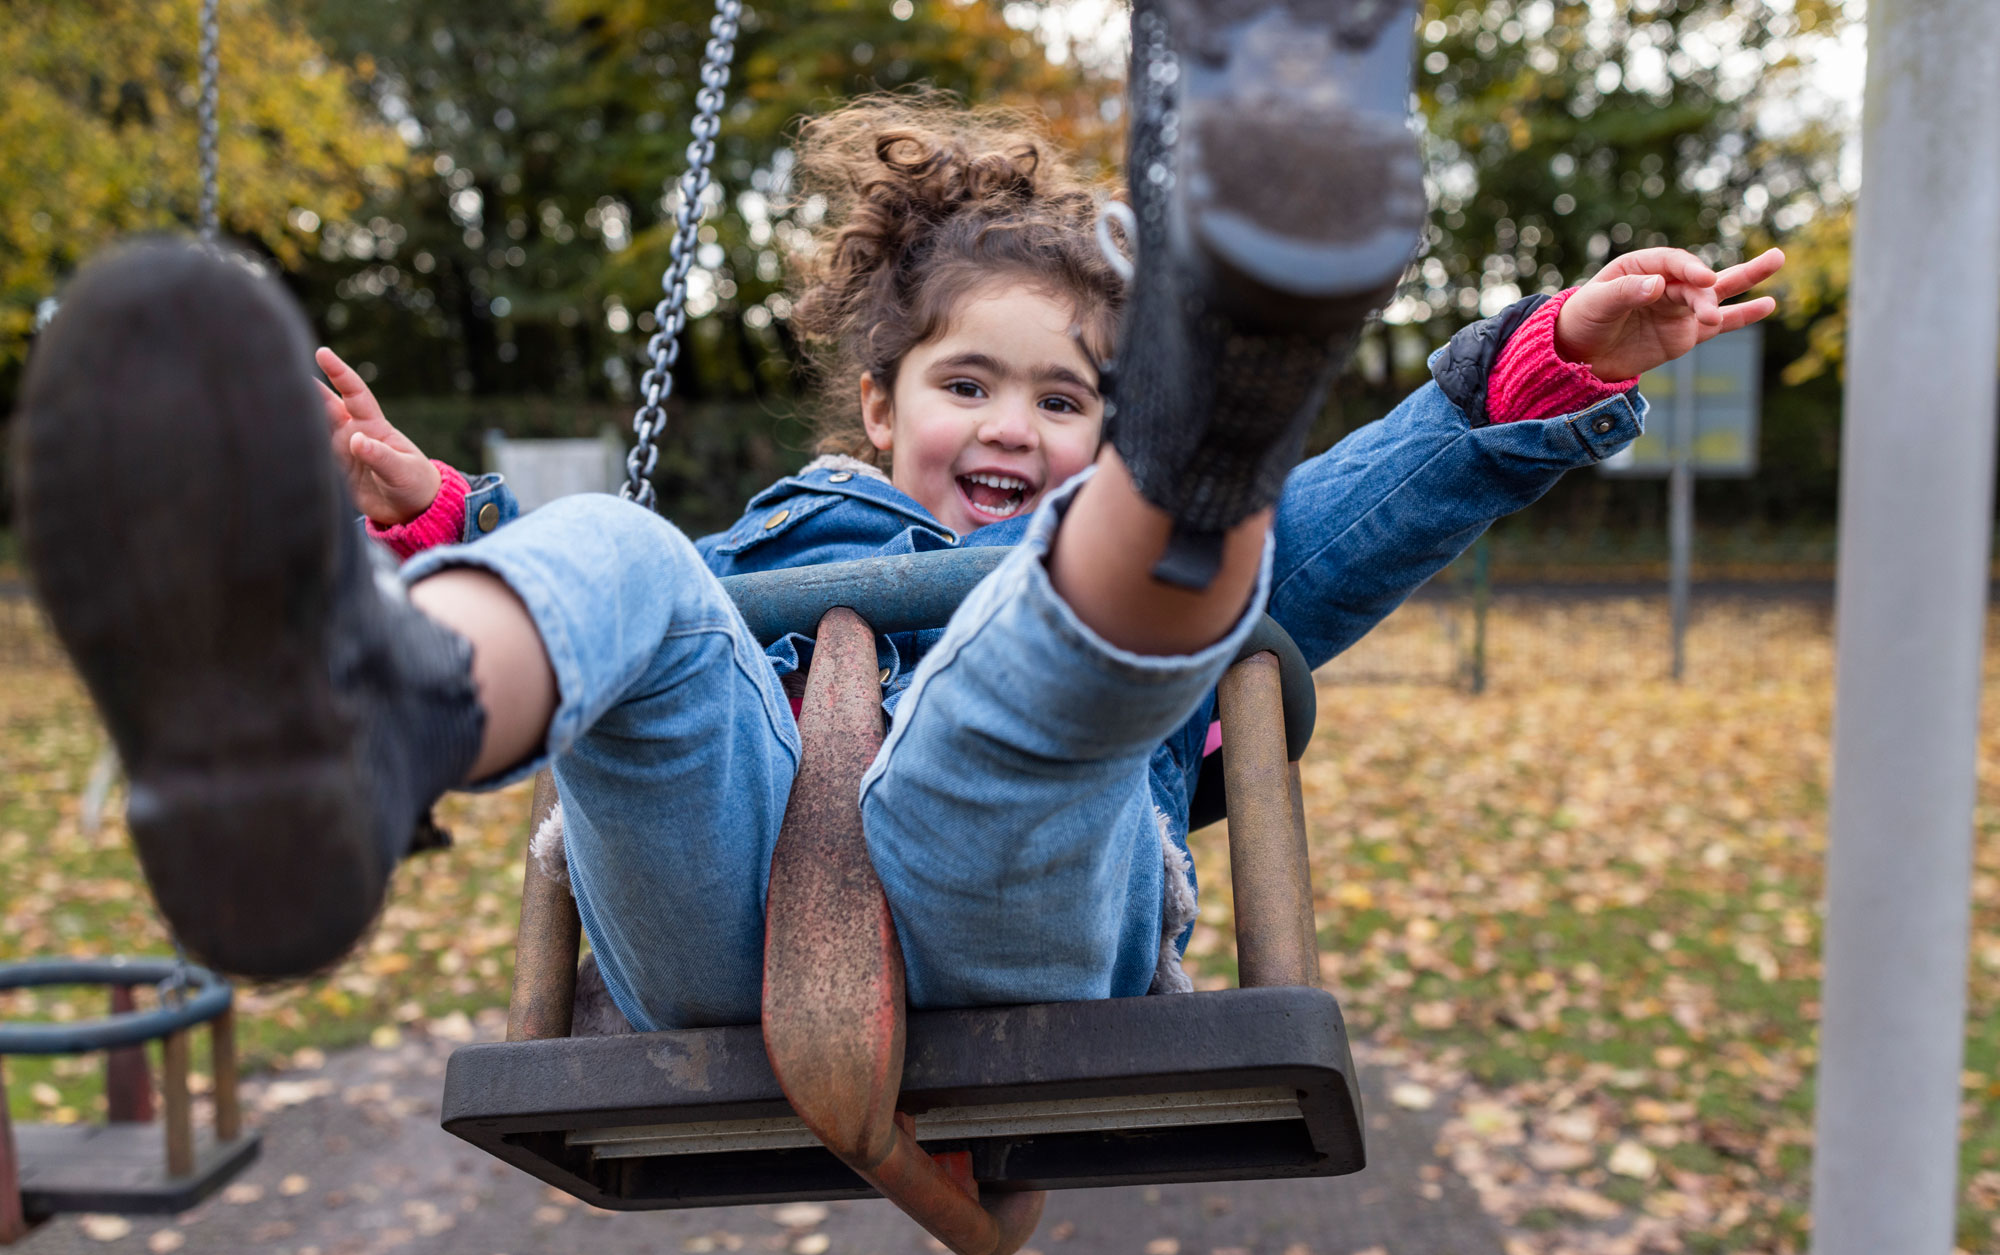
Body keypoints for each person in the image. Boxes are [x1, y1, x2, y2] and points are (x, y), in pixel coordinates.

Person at [16, 7, 1781, 1031]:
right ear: (880, 402)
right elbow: (653, 652)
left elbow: (1370, 516)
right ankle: (352, 725)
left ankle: (1214, 408)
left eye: (1068, 398)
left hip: (1018, 911)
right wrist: (438, 523)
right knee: (632, 562)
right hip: (722, 918)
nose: (1013, 424)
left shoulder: (1052, 529)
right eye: (969, 385)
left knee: (1060, 643)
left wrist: (1540, 364)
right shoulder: (788, 534)